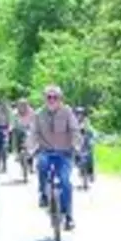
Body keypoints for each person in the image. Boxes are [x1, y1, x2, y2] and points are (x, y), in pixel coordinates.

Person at [31, 84, 84, 229]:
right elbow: (33, 134)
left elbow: (75, 131)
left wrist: (77, 148)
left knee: (65, 182)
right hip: (46, 151)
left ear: (60, 98)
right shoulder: (38, 114)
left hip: (64, 153)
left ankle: (68, 216)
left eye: (55, 97)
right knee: (41, 164)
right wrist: (30, 150)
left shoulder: (67, 112)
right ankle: (43, 193)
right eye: (49, 97)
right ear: (44, 98)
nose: (52, 100)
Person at [75, 106, 99, 183]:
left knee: (90, 157)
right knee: (74, 155)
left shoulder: (86, 122)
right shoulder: (73, 122)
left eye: (81, 113)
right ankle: (79, 168)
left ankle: (91, 173)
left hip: (86, 142)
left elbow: (92, 131)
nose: (79, 115)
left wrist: (93, 139)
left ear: (83, 114)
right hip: (77, 143)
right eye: (78, 113)